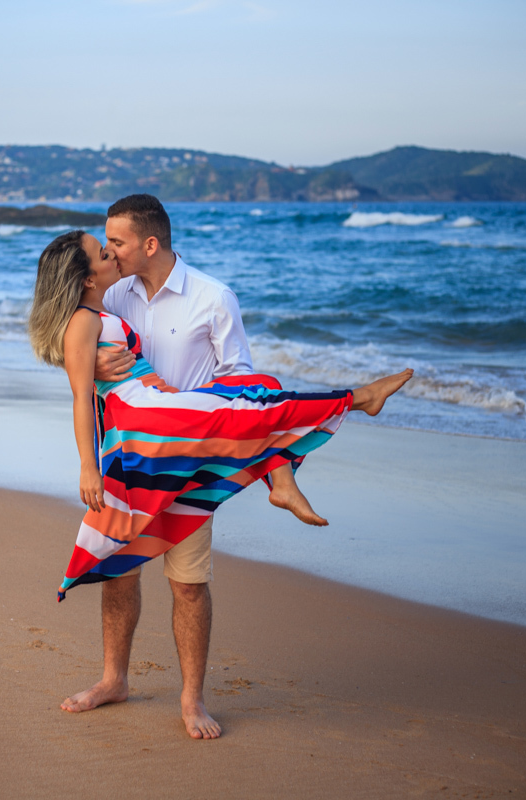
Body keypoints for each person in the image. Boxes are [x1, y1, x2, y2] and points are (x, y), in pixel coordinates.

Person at [27, 198, 412, 740]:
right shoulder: (110, 293)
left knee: (188, 584)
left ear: (149, 244)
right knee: (120, 573)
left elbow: (239, 384)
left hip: (192, 455)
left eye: (116, 242)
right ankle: (114, 679)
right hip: (128, 456)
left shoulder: (212, 298)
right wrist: (93, 374)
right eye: (104, 246)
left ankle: (192, 699)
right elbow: (65, 343)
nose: (109, 250)